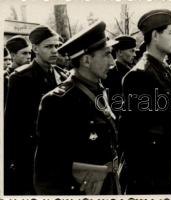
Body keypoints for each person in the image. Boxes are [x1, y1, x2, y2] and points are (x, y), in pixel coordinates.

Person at [34, 21, 120, 195]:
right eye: (107, 55)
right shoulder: (58, 101)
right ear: (86, 60)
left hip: (107, 185)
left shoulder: (98, 89)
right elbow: (47, 170)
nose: (112, 62)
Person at [120, 9, 171, 194]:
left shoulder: (164, 69)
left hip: (166, 165)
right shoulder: (139, 75)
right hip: (149, 173)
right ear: (155, 35)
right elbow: (132, 135)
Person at [4, 25, 68, 195]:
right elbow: (11, 123)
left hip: (60, 154)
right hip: (31, 155)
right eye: (48, 46)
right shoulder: (20, 78)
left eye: (57, 46)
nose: (54, 51)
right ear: (35, 48)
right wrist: (11, 160)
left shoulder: (62, 75)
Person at [102, 35, 136, 112]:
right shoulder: (111, 74)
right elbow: (115, 104)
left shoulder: (132, 70)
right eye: (131, 51)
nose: (135, 54)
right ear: (120, 52)